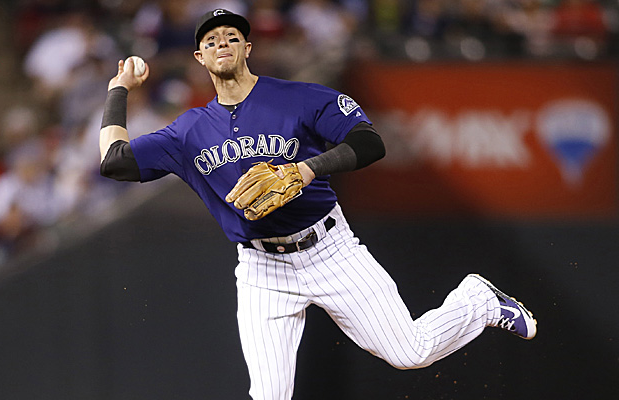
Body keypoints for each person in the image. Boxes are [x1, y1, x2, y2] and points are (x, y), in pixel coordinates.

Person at [98, 9, 537, 400]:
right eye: (210, 40)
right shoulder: (188, 131)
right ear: (199, 57)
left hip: (329, 249)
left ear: (247, 47)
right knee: (268, 395)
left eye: (231, 36)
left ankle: (477, 301)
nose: (221, 44)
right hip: (261, 268)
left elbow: (369, 142)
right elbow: (114, 162)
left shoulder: (298, 98)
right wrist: (120, 89)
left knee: (411, 351)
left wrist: (306, 169)